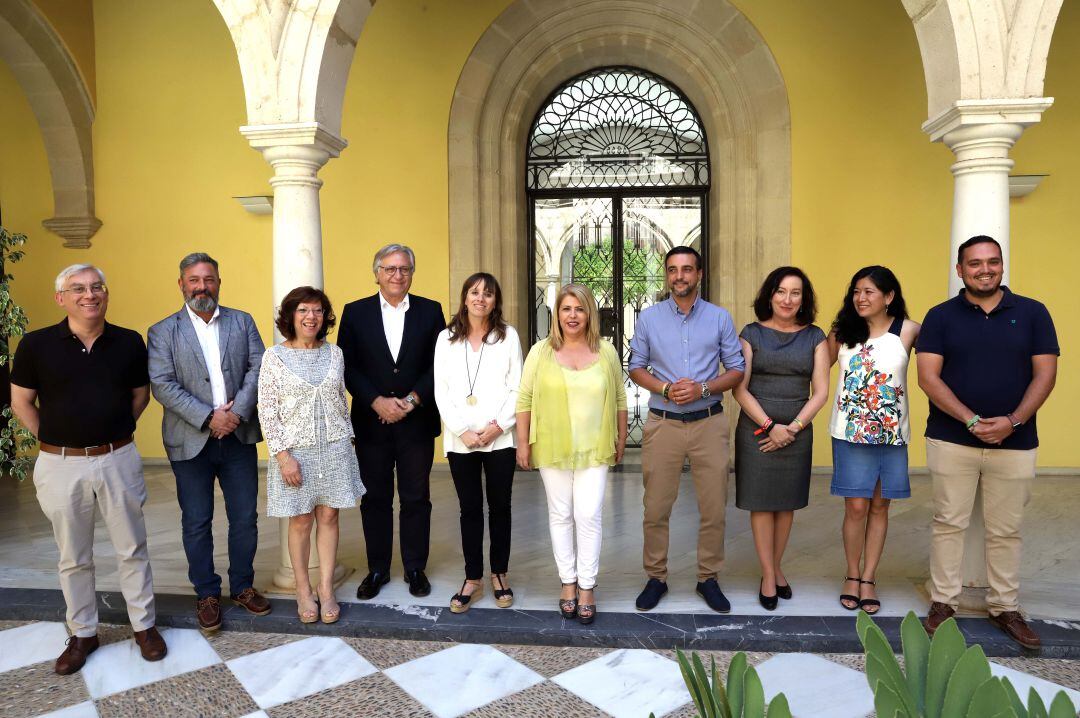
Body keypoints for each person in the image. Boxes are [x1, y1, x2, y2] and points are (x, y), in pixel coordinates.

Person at [10, 264, 166, 674]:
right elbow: (21, 401)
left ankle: (144, 626)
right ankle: (83, 633)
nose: (89, 295)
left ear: (106, 294)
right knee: (73, 555)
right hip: (60, 465)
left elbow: (140, 395)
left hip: (118, 457)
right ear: (61, 298)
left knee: (132, 547)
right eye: (77, 288)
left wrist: (110, 435)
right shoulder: (36, 344)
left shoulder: (129, 342)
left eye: (96, 287)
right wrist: (57, 438)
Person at [917, 236, 1058, 649]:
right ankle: (944, 601)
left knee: (1006, 529)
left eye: (992, 262)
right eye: (974, 263)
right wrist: (973, 420)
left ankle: (1005, 607)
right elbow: (928, 377)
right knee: (949, 523)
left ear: (1001, 266)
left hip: (1016, 441)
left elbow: (1045, 375)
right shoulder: (940, 316)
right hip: (951, 439)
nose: (985, 269)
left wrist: (1012, 422)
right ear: (959, 270)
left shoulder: (1033, 313)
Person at [148, 253, 270, 632]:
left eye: (209, 279)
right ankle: (206, 593)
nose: (202, 287)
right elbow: (162, 384)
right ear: (181, 284)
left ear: (219, 281)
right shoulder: (162, 331)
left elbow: (259, 366)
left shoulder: (242, 321)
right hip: (190, 440)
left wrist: (237, 412)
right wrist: (208, 416)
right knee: (197, 521)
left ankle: (244, 587)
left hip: (238, 436)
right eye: (194, 280)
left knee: (245, 519)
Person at [627, 246, 745, 614]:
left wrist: (703, 388)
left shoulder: (720, 318)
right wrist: (664, 388)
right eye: (674, 270)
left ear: (699, 274)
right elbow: (635, 365)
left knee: (713, 508)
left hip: (709, 422)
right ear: (667, 274)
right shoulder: (648, 319)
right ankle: (656, 577)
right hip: (664, 425)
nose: (680, 276)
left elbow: (737, 368)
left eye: (687, 269)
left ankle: (708, 577)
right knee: (656, 507)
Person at [516, 283, 627, 625]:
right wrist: (523, 442)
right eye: (566, 309)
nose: (573, 315)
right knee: (561, 514)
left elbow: (621, 399)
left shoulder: (606, 351)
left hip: (595, 447)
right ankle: (568, 582)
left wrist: (621, 438)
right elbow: (525, 399)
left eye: (579, 309)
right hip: (552, 446)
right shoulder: (540, 352)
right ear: (557, 314)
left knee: (589, 514)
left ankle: (588, 586)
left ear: (589, 313)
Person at [338, 244, 445, 599]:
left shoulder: (431, 311)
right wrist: (375, 401)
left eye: (404, 269)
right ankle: (378, 569)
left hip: (417, 422)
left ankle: (415, 568)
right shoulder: (355, 313)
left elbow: (438, 364)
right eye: (390, 269)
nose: (397, 275)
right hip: (372, 424)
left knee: (417, 497)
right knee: (375, 499)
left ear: (412, 273)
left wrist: (413, 399)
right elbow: (347, 366)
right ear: (377, 273)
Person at [258, 286, 365, 623]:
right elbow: (267, 411)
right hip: (295, 454)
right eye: (303, 310)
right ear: (291, 315)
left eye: (317, 310)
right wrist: (282, 456)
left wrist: (348, 443)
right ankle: (303, 591)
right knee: (301, 520)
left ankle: (326, 588)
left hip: (334, 449)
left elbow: (339, 403)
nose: (311, 317)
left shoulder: (335, 354)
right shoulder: (273, 357)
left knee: (330, 517)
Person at [733, 267, 829, 611]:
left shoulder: (815, 337)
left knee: (786, 504)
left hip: (797, 430)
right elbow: (738, 388)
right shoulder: (750, 333)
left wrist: (794, 428)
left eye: (796, 293)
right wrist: (771, 425)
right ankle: (769, 575)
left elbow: (820, 391)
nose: (788, 299)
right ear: (769, 295)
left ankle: (774, 568)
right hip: (756, 428)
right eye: (781, 291)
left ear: (804, 299)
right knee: (761, 503)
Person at [826, 266, 919, 615]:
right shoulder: (842, 332)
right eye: (856, 291)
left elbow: (942, 365)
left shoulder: (909, 331)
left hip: (891, 436)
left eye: (868, 292)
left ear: (889, 296)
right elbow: (816, 372)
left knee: (881, 506)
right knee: (856, 507)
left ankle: (869, 578)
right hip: (849, 433)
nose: (860, 298)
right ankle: (851, 574)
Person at [434, 273, 522, 613]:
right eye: (474, 292)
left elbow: (518, 386)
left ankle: (499, 573)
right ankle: (473, 578)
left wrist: (498, 426)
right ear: (464, 297)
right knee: (469, 509)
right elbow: (441, 391)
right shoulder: (446, 338)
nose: (480, 298)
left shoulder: (508, 336)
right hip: (461, 441)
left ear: (495, 301)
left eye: (488, 293)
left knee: (501, 508)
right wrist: (462, 429)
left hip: (500, 438)